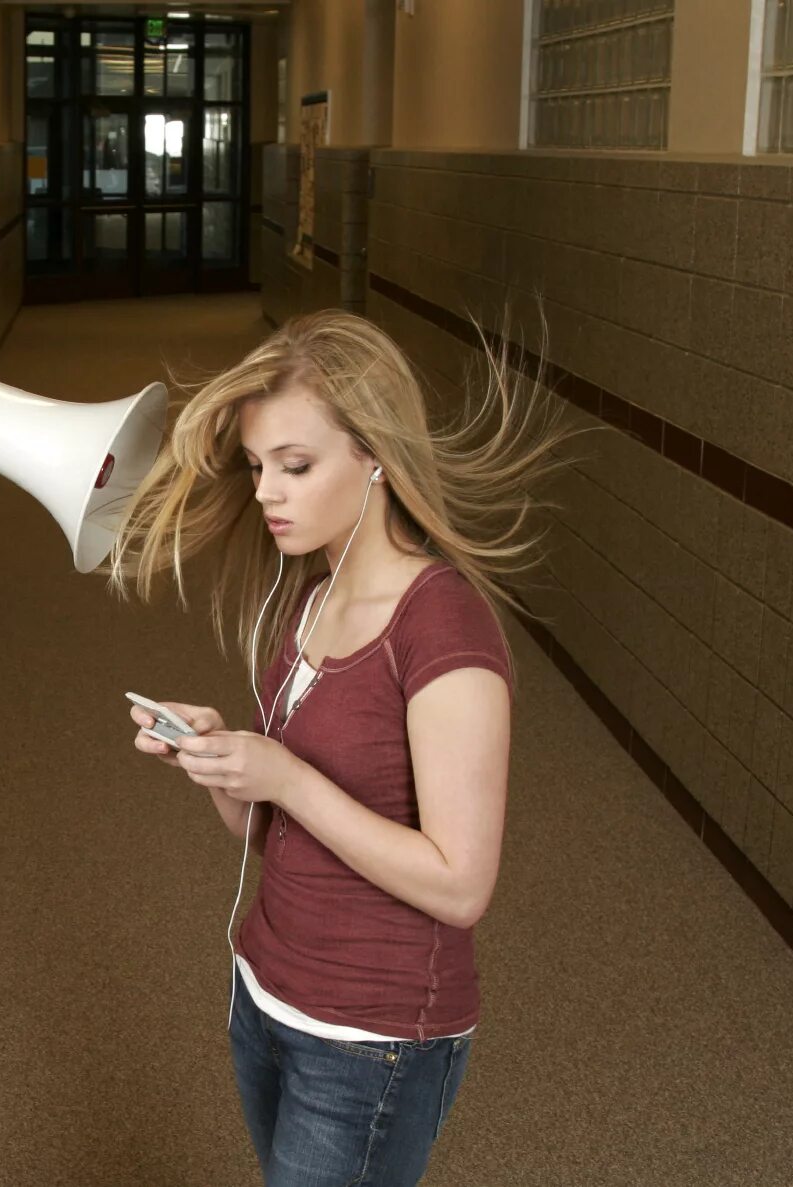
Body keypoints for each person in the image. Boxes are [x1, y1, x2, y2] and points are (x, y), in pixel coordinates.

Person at [111, 311, 564, 1187]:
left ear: (374, 454)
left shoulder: (442, 630)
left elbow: (460, 883)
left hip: (372, 1041)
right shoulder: (307, 604)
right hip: (267, 998)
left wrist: (287, 775)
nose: (266, 493)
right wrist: (219, 763)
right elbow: (266, 831)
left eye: (296, 465)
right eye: (256, 468)